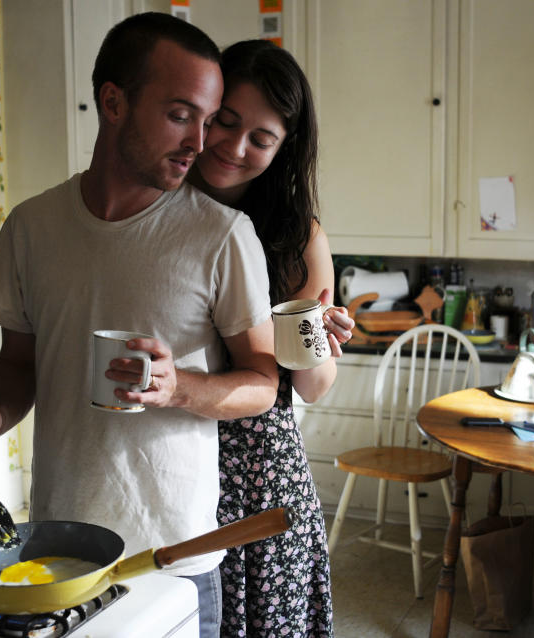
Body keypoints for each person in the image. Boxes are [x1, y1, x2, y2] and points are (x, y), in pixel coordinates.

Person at [0, 14, 279, 638]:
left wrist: (180, 389)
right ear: (113, 101)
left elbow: (263, 384)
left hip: (175, 553)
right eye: (180, 115)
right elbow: (19, 362)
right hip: (61, 549)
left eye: (208, 118)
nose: (201, 142)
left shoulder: (222, 234)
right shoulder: (31, 227)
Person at [186, 40, 355, 637]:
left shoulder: (296, 235)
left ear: (285, 147)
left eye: (261, 138)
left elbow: (311, 386)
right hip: (170, 460)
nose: (234, 148)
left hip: (262, 468)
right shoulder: (156, 211)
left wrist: (319, 338)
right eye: (224, 123)